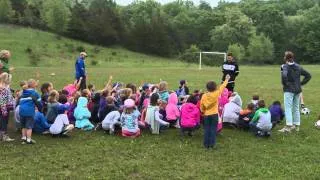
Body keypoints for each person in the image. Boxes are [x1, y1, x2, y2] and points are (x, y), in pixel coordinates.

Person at [279, 51, 311, 133]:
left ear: (285, 58)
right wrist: (301, 84)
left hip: (289, 90)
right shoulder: (298, 66)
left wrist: (285, 84)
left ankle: (288, 126)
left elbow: (284, 76)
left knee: (288, 108)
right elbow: (308, 75)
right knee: (296, 107)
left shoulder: (284, 66)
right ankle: (296, 126)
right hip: (298, 90)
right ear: (292, 57)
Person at [201, 74, 230, 149]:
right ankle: (211, 145)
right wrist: (226, 79)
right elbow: (222, 87)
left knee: (207, 129)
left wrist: (203, 111)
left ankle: (206, 144)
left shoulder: (204, 96)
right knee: (213, 129)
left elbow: (202, 105)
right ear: (215, 88)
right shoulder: (216, 93)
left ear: (207, 88)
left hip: (206, 115)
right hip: (214, 114)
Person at [18, 79, 42, 144]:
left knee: (23, 126)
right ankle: (28, 140)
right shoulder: (35, 93)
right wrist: (41, 109)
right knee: (29, 126)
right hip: (29, 111)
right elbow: (39, 102)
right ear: (34, 85)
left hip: (21, 111)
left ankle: (23, 138)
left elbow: (19, 100)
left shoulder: (23, 92)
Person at [0, 73, 15, 141]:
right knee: (3, 121)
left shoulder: (6, 86)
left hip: (6, 107)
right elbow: (2, 99)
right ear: (6, 79)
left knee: (4, 121)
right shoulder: (3, 88)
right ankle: (4, 136)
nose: (10, 81)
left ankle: (2, 135)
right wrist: (4, 110)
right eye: (9, 79)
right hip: (4, 107)